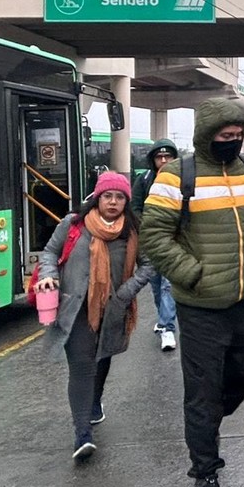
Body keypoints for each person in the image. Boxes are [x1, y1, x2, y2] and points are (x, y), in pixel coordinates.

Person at [139, 98, 244, 487]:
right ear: (206, 136)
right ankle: (205, 478)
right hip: (199, 305)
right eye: (225, 137)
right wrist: (191, 273)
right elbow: (154, 235)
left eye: (238, 137)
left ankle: (208, 417)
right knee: (201, 390)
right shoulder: (175, 176)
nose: (232, 143)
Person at [36, 172, 154, 461]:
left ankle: (94, 402)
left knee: (102, 359)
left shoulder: (133, 231)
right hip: (75, 309)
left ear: (126, 201)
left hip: (113, 309)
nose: (113, 202)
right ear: (97, 198)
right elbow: (50, 252)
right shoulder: (73, 224)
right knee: (82, 366)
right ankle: (82, 433)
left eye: (119, 197)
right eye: (107, 196)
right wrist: (49, 276)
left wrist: (126, 292)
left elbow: (149, 265)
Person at [132, 138, 180, 351]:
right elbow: (135, 208)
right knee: (156, 284)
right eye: (159, 157)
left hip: (173, 241)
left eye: (168, 156)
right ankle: (163, 318)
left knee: (168, 284)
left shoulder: (183, 180)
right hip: (150, 242)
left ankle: (167, 327)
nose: (163, 160)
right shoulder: (143, 180)